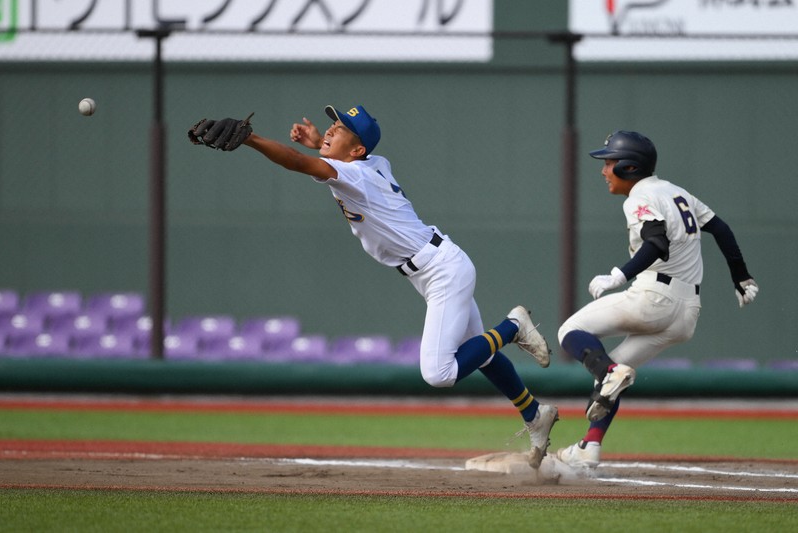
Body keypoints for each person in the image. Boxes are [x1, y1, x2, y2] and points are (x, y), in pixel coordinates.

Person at [188, 104, 559, 466]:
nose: (330, 128)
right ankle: (534, 414)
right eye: (332, 124)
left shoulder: (357, 174)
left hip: (442, 270)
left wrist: (252, 139)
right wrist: (319, 140)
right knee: (481, 354)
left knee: (439, 373)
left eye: (340, 129)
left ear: (358, 149)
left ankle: (513, 326)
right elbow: (329, 162)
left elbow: (299, 163)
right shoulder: (369, 164)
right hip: (435, 267)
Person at [554, 130, 759, 468]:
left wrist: (618, 275)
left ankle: (609, 376)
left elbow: (656, 241)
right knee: (610, 376)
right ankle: (589, 447)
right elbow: (721, 229)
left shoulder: (638, 197)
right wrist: (741, 276)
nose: (603, 170)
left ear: (629, 167)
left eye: (609, 162)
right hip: (686, 313)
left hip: (654, 297)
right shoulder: (677, 192)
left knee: (570, 332)